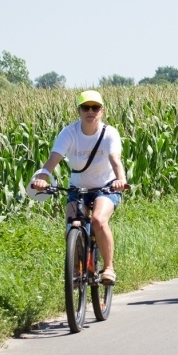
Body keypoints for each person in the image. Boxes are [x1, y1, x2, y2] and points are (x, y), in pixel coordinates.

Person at [30, 90, 128, 285]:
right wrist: (42, 179)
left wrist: (120, 180)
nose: (90, 111)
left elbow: (115, 159)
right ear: (79, 111)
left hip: (106, 187)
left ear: (102, 111)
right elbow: (53, 159)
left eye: (95, 107)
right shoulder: (69, 133)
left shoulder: (109, 133)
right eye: (85, 107)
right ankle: (76, 269)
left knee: (99, 220)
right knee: (72, 224)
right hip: (78, 187)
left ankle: (108, 268)